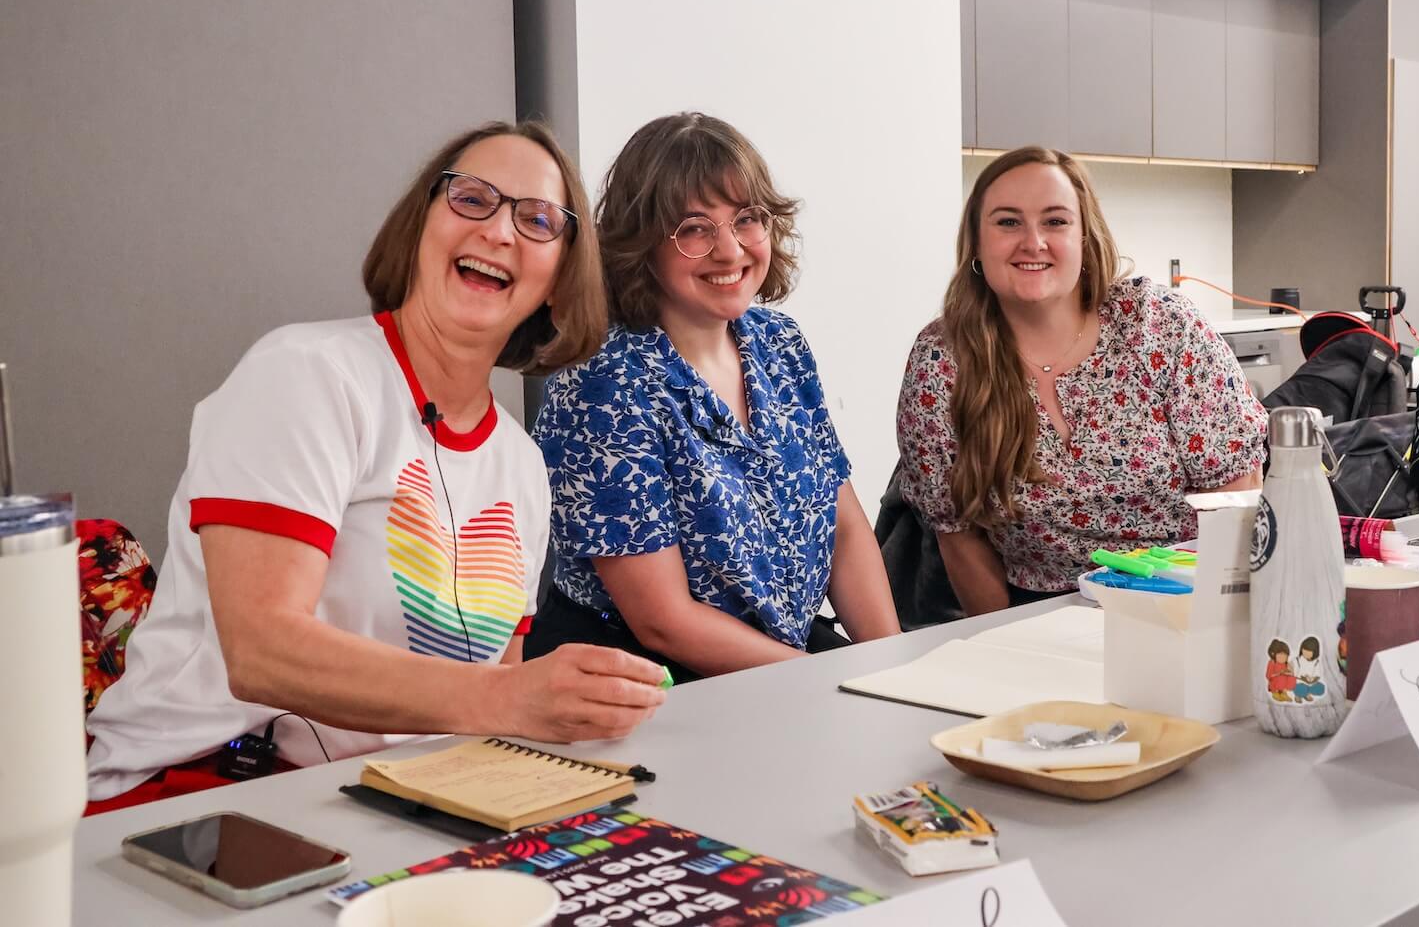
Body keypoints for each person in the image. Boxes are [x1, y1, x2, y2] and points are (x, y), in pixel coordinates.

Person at [85, 121, 668, 807]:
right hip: (200, 793)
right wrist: (509, 697)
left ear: (560, 283)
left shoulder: (520, 464)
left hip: (402, 799)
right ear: (419, 229)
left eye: (538, 219)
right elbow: (261, 651)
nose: (500, 231)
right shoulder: (306, 374)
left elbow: (489, 710)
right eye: (472, 199)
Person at [530, 112, 900, 678]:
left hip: (779, 657)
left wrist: (891, 668)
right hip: (645, 673)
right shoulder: (603, 380)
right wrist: (821, 679)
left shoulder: (779, 342)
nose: (729, 251)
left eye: (747, 219)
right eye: (694, 229)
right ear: (641, 244)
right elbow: (663, 620)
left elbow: (843, 530)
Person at [896, 146, 1267, 615]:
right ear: (976, 243)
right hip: (1036, 613)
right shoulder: (942, 360)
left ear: (1085, 238)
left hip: (1186, 601)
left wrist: (1208, 623)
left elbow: (1234, 495)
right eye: (1008, 222)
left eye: (1055, 221)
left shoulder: (1160, 326)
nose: (1033, 242)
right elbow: (959, 535)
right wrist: (1008, 645)